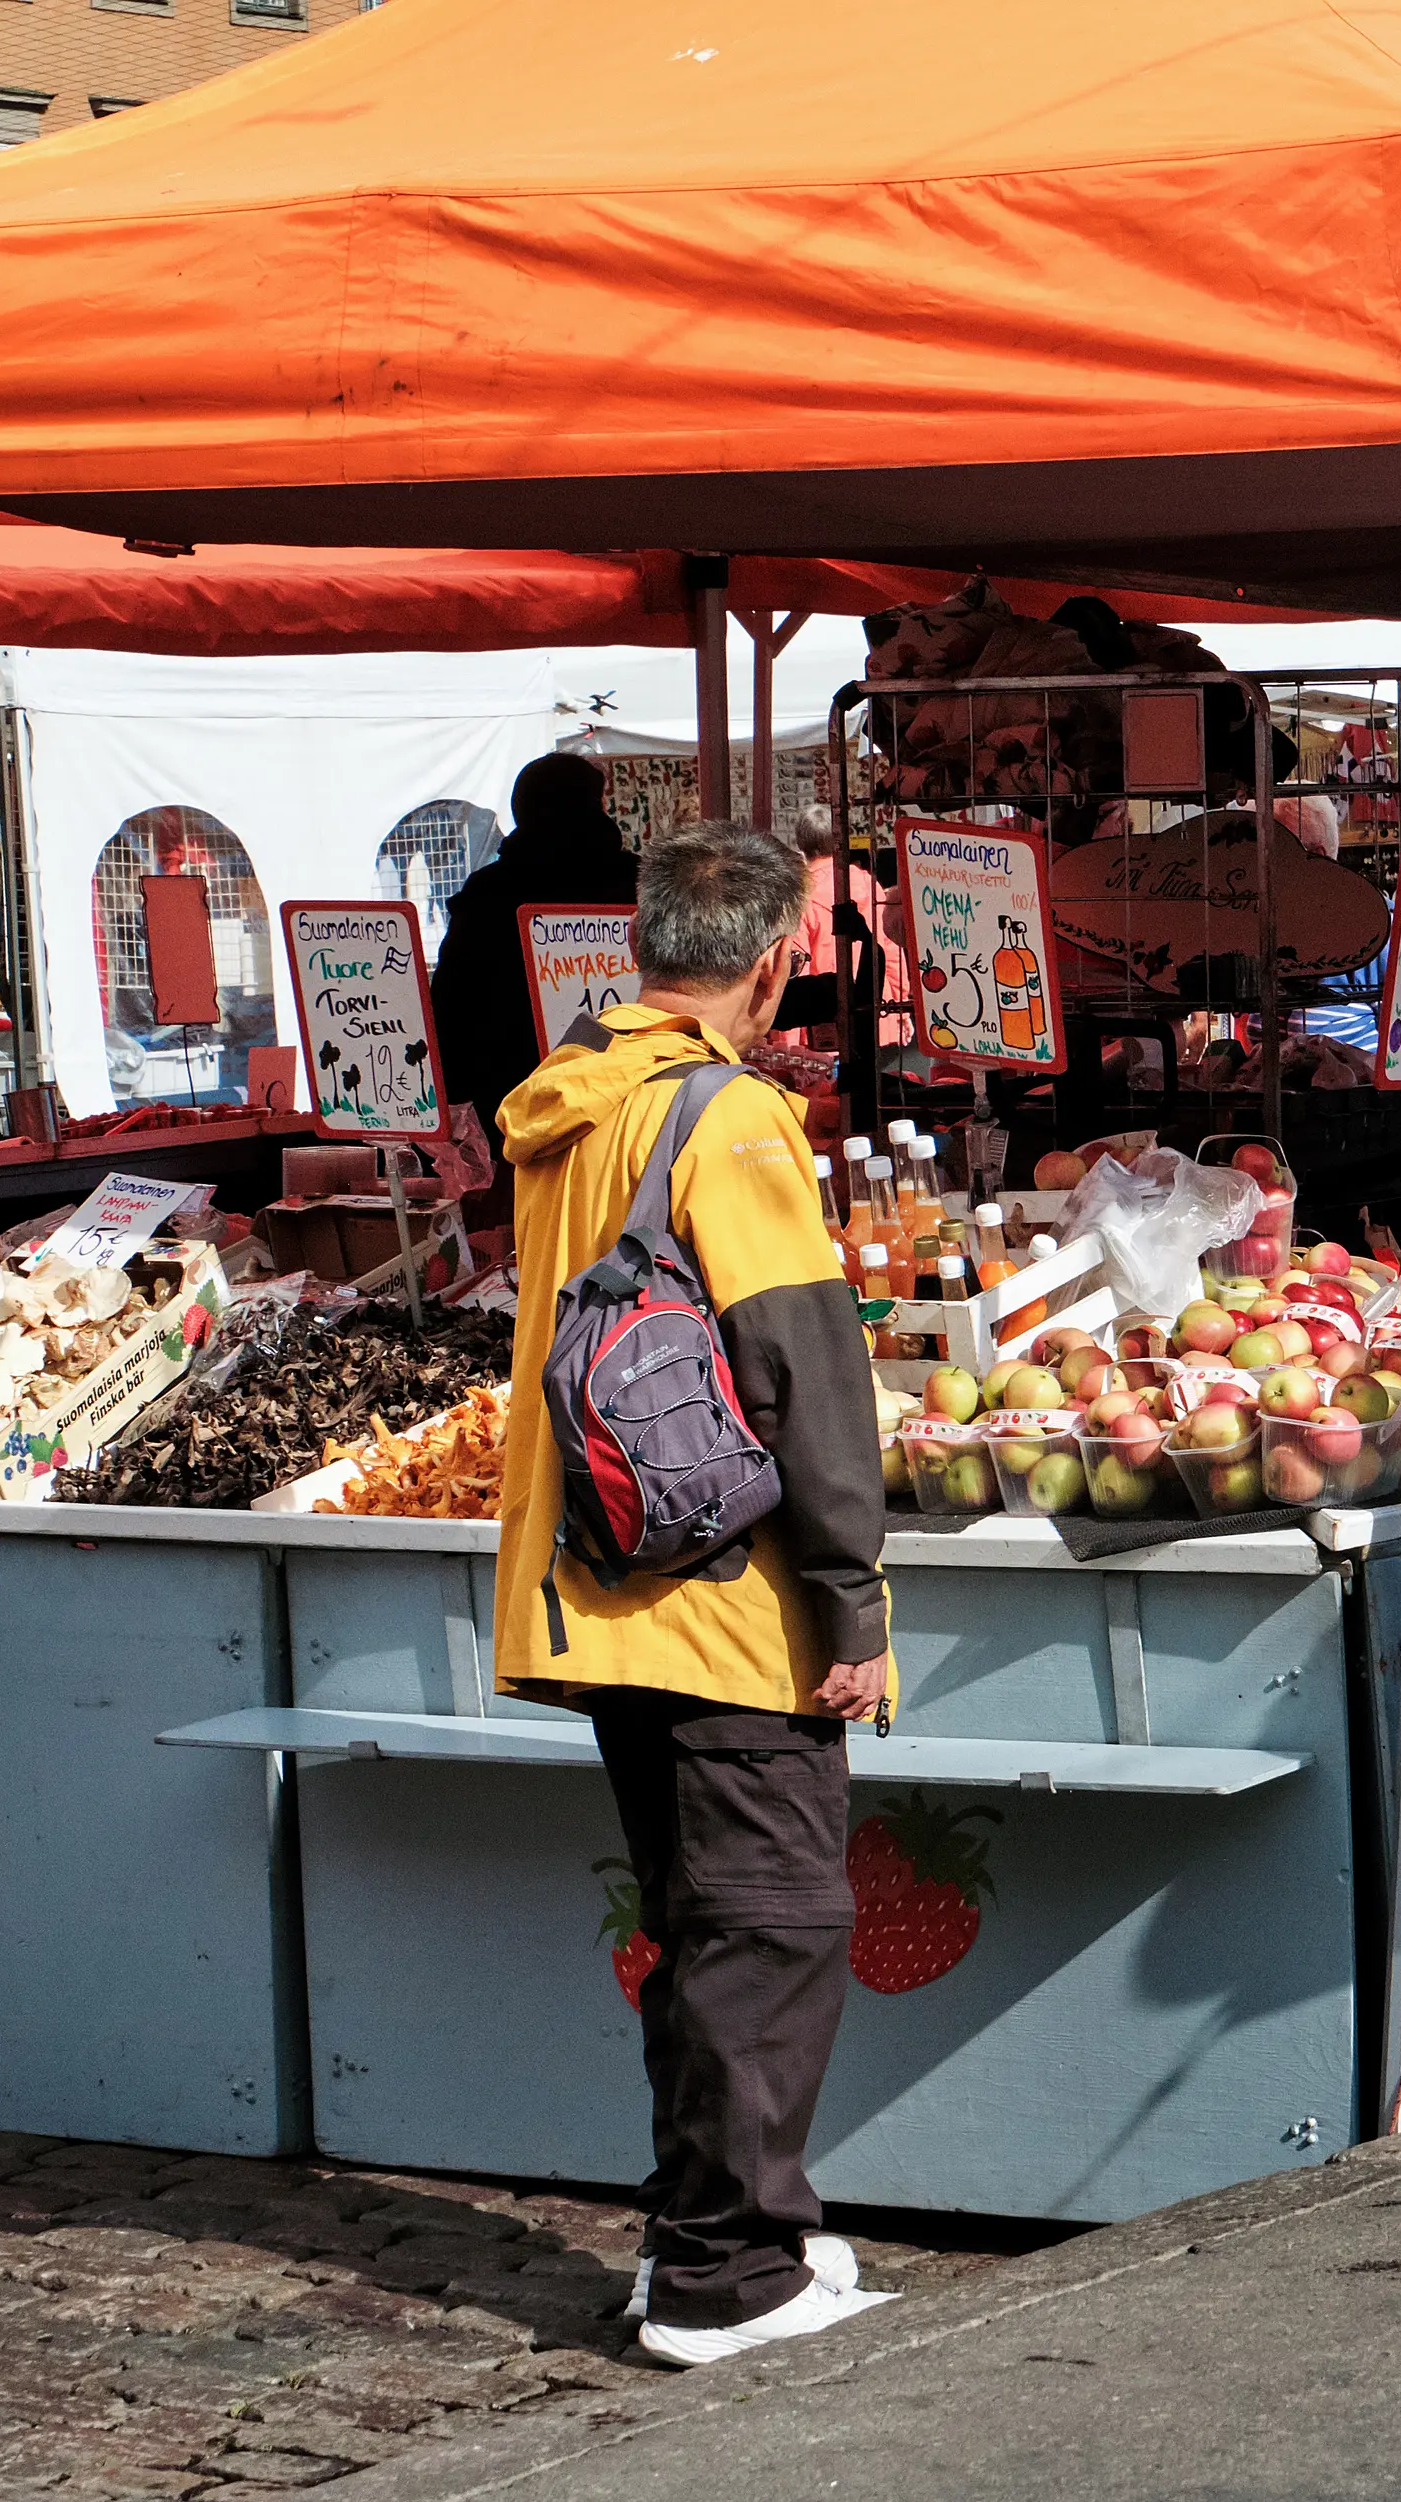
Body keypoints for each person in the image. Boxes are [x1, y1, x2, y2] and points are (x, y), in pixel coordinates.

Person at [492, 819, 895, 2367]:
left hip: (599, 1580)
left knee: (699, 1926)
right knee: (772, 1928)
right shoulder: (729, 1118)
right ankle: (733, 2276)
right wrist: (850, 1599)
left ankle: (708, 2239)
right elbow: (803, 1366)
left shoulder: (578, 1099)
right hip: (724, 1596)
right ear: (779, 961)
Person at [432, 752, 638, 1111]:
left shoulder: (487, 894)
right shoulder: (642, 885)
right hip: (631, 1095)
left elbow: (451, 1008)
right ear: (594, 805)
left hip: (512, 1106)